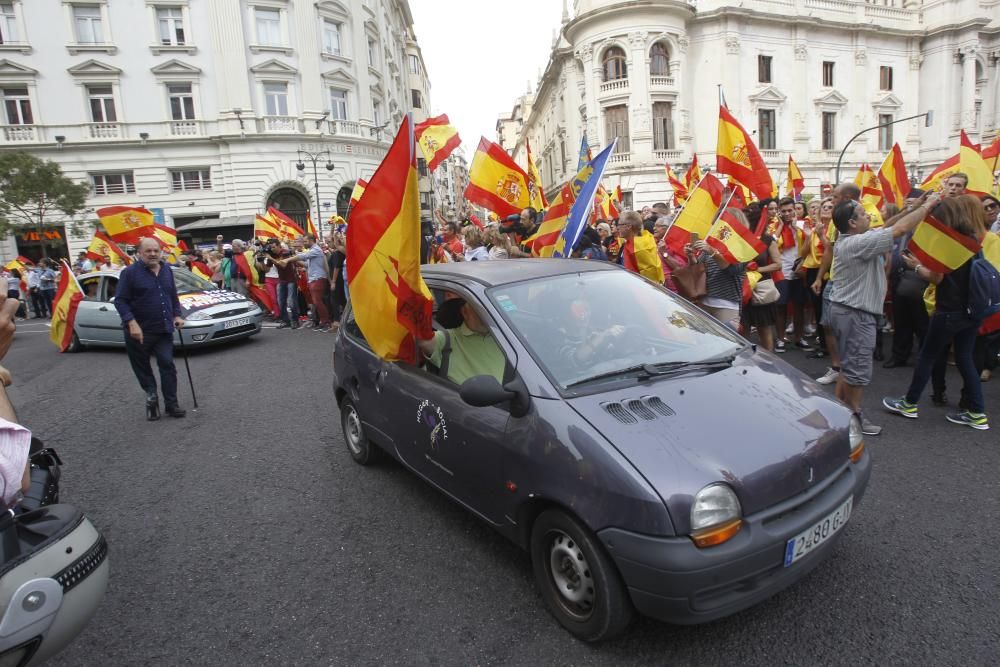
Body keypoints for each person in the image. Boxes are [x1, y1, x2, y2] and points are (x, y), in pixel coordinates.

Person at [826, 191, 941, 436]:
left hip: (849, 311)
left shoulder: (855, 238)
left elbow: (888, 226)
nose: (869, 214)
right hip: (855, 314)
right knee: (857, 370)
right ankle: (854, 417)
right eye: (862, 213)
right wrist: (928, 206)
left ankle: (839, 415)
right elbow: (897, 231)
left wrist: (913, 207)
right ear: (852, 223)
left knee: (848, 367)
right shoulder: (857, 243)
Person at [883, 195, 990, 430]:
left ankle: (909, 403)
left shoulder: (950, 241)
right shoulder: (974, 240)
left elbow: (936, 277)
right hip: (971, 310)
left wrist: (915, 266)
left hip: (949, 309)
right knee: (965, 359)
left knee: (927, 355)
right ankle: (977, 412)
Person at [113, 237, 187, 420]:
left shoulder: (167, 269)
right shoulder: (129, 273)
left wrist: (177, 315)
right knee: (143, 369)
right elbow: (121, 300)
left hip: (163, 328)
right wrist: (131, 322)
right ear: (139, 253)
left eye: (156, 250)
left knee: (167, 365)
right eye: (148, 251)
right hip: (139, 331)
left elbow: (172, 295)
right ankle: (151, 398)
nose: (153, 254)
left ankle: (171, 404)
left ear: (160, 251)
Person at [416, 298, 505, 385]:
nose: (488, 315)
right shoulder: (447, 338)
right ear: (465, 312)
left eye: (490, 310)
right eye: (481, 310)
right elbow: (422, 338)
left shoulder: (505, 333)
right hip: (464, 398)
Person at [276, 233, 332, 332]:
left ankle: (326, 322)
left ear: (311, 241)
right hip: (314, 279)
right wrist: (292, 260)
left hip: (317, 279)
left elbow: (303, 256)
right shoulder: (313, 250)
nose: (303, 243)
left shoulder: (316, 250)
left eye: (305, 241)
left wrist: (288, 259)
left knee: (318, 302)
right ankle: (323, 322)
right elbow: (306, 264)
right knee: (316, 302)